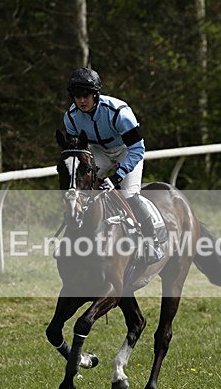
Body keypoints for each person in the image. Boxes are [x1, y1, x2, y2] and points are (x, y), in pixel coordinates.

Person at [63, 67, 163, 265]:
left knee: (128, 194)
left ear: (96, 94)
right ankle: (74, 240)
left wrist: (117, 176)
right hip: (99, 152)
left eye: (86, 95)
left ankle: (152, 242)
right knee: (79, 191)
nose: (81, 101)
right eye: (77, 96)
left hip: (127, 151)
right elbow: (77, 152)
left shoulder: (118, 112)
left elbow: (137, 149)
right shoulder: (71, 117)